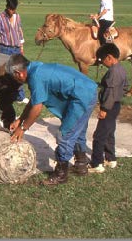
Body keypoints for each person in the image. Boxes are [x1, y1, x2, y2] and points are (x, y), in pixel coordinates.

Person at [7, 54, 98, 186]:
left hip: (82, 96)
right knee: (78, 131)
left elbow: (37, 109)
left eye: (13, 77)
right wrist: (20, 119)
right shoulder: (36, 69)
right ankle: (81, 165)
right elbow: (35, 100)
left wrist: (23, 128)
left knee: (65, 134)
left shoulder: (36, 77)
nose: (15, 80)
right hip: (88, 90)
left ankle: (61, 175)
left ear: (18, 73)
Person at [88, 43, 128, 174]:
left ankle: (96, 163)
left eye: (102, 60)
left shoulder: (113, 72)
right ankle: (111, 159)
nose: (102, 63)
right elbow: (125, 86)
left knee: (99, 135)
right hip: (116, 105)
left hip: (109, 106)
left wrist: (104, 109)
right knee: (109, 133)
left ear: (109, 57)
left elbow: (110, 92)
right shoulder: (121, 69)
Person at [0, 0, 28, 104]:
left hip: (16, 48)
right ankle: (3, 95)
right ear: (7, 7)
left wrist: (21, 48)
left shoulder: (17, 16)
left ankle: (20, 97)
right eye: (10, 9)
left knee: (20, 71)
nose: (12, 11)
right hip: (4, 48)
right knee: (5, 73)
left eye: (14, 9)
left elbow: (19, 32)